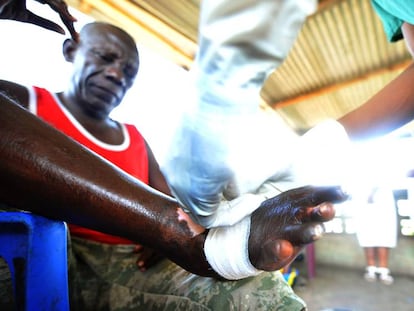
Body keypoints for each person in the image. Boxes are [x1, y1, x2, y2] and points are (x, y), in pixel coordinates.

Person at [0, 1, 347, 310]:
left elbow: (173, 201)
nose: (115, 74)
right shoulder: (22, 102)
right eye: (105, 58)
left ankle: (198, 244)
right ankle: (190, 243)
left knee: (251, 291)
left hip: (127, 260)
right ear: (70, 50)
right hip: (46, 253)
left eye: (128, 72)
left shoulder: (133, 137)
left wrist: (184, 225)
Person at [355, 186, 397, 285]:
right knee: (368, 238)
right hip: (364, 203)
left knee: (384, 236)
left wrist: (373, 191)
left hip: (384, 204)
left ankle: (383, 271)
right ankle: (371, 270)